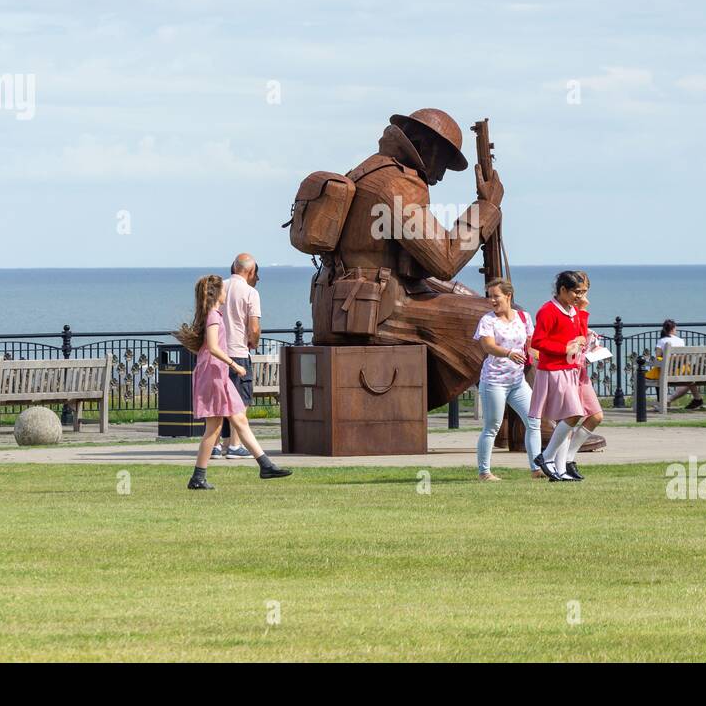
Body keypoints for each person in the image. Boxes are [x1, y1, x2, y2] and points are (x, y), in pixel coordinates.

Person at [309, 108, 504, 410]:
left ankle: (506, 424)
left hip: (341, 303)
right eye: (443, 162)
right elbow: (445, 259)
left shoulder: (365, 171)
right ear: (424, 148)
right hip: (377, 312)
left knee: (470, 299)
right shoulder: (397, 184)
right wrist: (486, 208)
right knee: (500, 319)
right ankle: (534, 427)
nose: (441, 174)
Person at [176, 275, 291, 489]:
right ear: (217, 294)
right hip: (215, 375)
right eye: (223, 290)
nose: (226, 293)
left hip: (216, 374)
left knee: (239, 419)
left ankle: (265, 465)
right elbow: (212, 346)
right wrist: (234, 365)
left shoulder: (213, 315)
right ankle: (198, 477)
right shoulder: (213, 317)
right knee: (214, 427)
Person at [472, 278, 536, 481]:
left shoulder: (524, 318)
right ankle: (484, 472)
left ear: (508, 296)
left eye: (495, 296)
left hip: (517, 382)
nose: (491, 300)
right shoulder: (488, 320)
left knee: (533, 420)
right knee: (492, 426)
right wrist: (508, 353)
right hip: (494, 382)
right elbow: (488, 346)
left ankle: (537, 469)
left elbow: (532, 346)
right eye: (489, 296)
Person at [529, 270, 589, 482]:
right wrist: (565, 348)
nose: (579, 297)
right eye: (576, 292)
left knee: (567, 419)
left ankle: (560, 470)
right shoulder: (547, 311)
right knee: (573, 414)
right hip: (554, 370)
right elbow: (537, 342)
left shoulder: (571, 310)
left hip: (568, 369)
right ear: (563, 290)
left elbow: (578, 334)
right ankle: (546, 457)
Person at [215, 253, 262, 460]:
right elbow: (253, 326)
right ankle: (235, 445)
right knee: (240, 400)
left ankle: (216, 446)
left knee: (218, 400)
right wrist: (254, 341)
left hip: (217, 352)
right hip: (238, 352)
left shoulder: (219, 288)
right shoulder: (251, 293)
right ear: (251, 271)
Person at [657, 319, 703, 409]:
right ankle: (667, 401)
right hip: (683, 371)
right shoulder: (681, 341)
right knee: (689, 381)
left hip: (668, 373)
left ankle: (661, 402)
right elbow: (683, 357)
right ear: (673, 329)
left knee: (647, 375)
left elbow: (658, 356)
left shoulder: (662, 341)